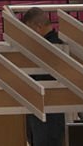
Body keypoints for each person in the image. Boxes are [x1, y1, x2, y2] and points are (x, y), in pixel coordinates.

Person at [22, 9, 65, 146]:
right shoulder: (54, 45)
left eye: (29, 30)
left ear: (38, 26)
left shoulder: (52, 48)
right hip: (44, 111)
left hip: (48, 110)